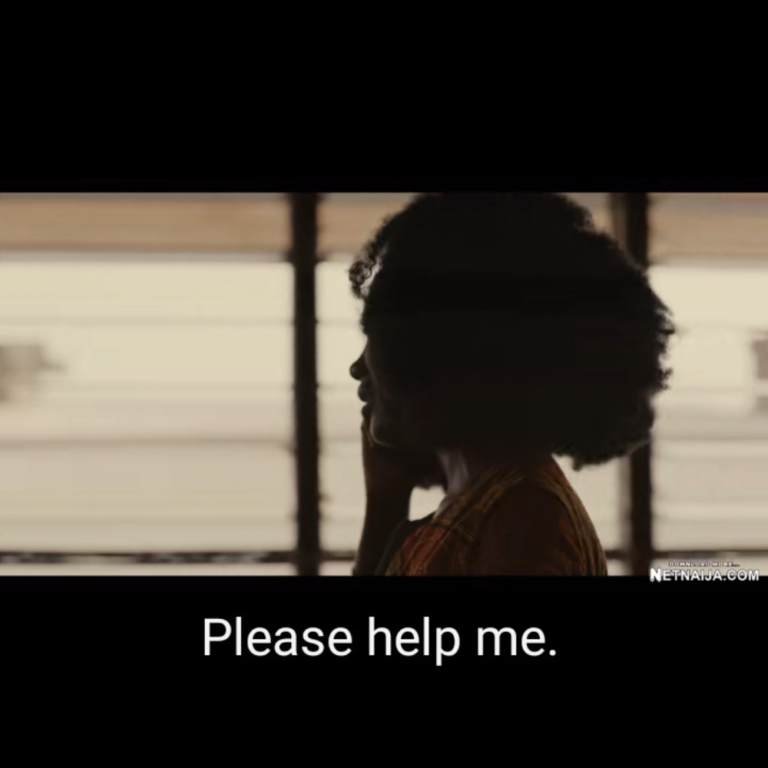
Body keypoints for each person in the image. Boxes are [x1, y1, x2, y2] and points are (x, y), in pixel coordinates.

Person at [348, 193, 674, 576]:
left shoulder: (523, 524)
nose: (357, 368)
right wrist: (386, 505)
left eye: (378, 333)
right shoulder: (490, 505)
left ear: (449, 348)